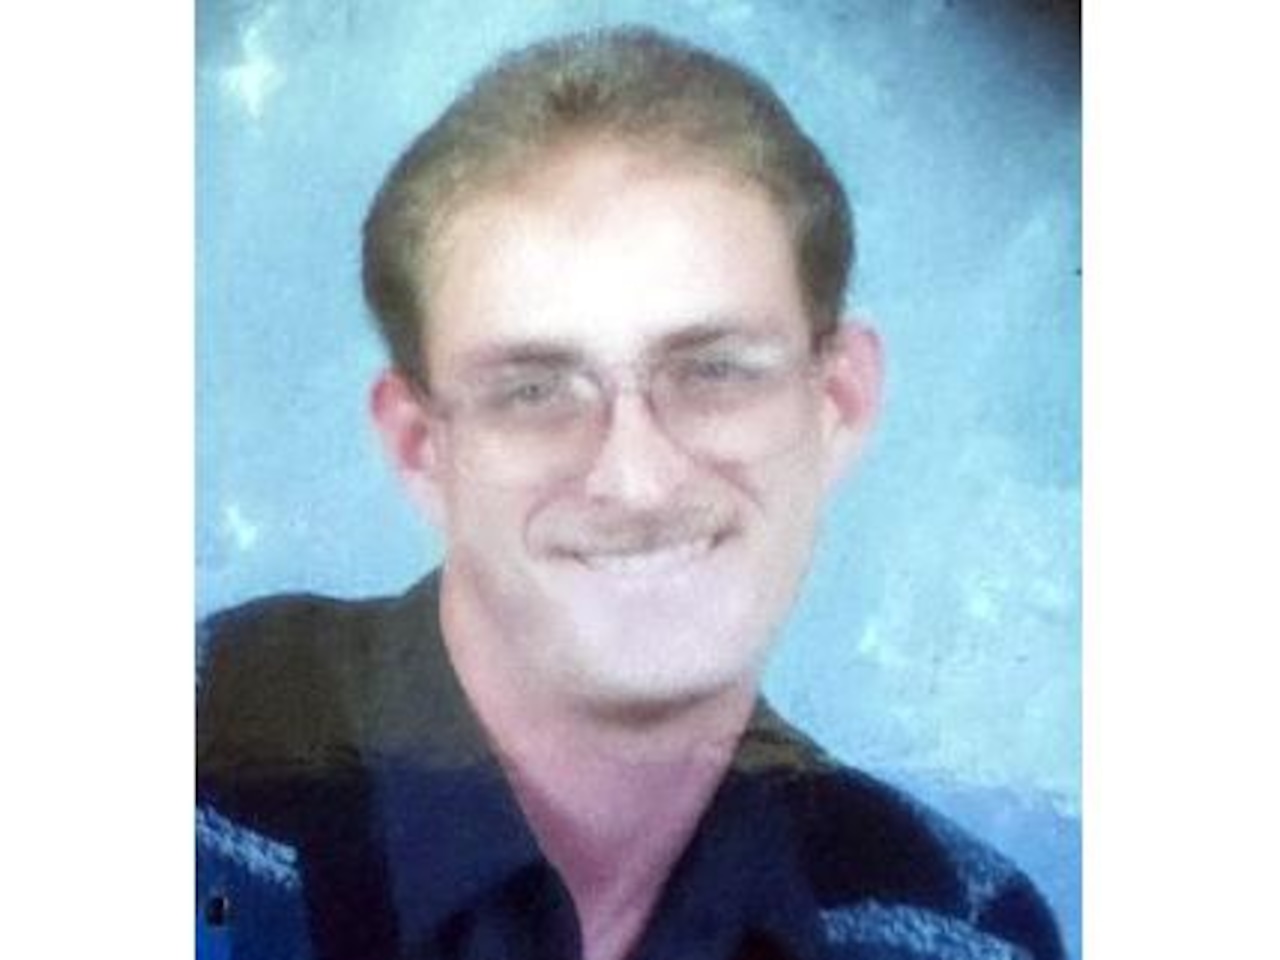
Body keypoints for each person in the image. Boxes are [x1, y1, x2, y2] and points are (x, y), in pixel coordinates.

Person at [197, 26, 1065, 960]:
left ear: (838, 404)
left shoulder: (957, 928)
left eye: (714, 371)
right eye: (535, 390)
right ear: (421, 447)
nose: (636, 480)